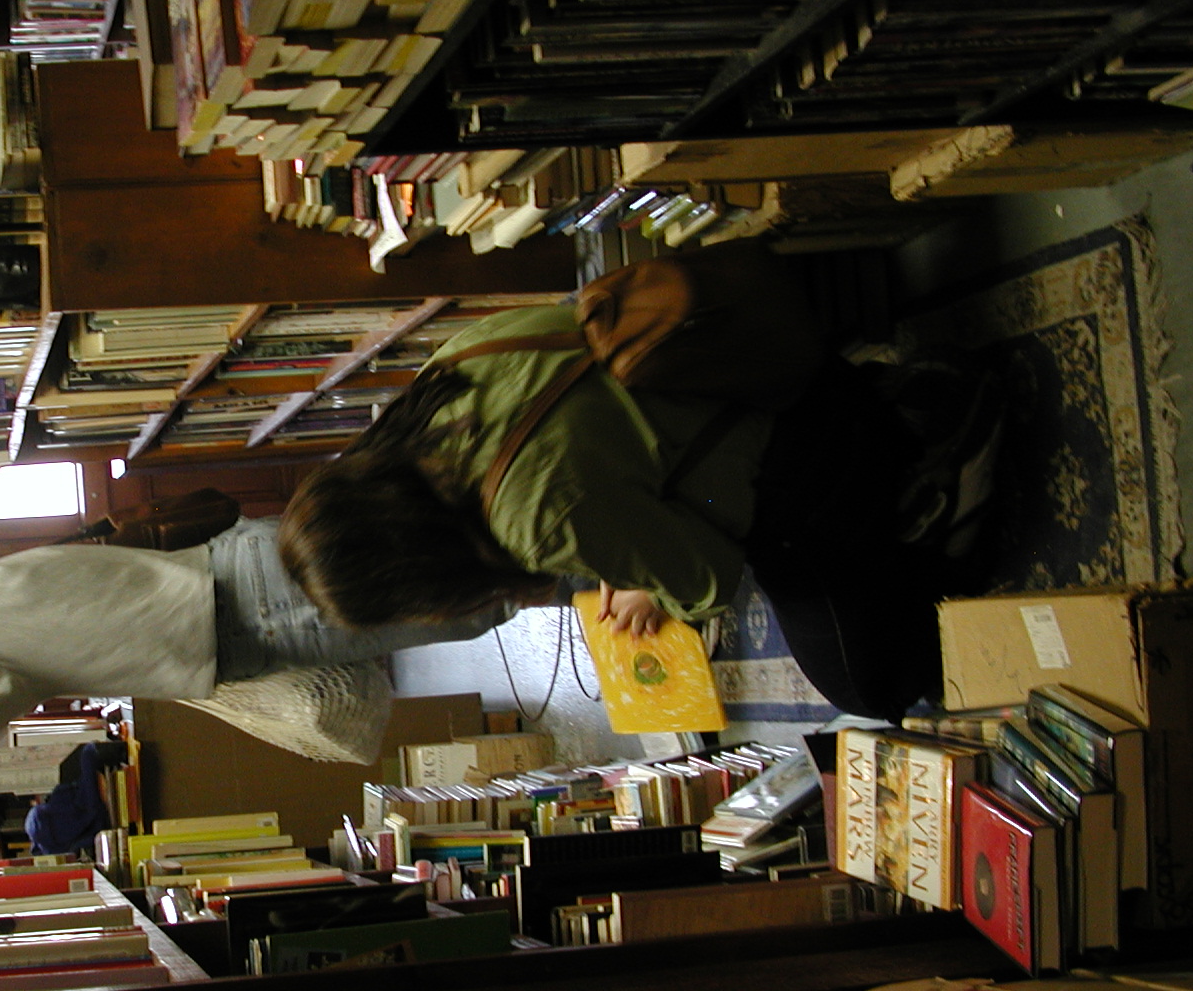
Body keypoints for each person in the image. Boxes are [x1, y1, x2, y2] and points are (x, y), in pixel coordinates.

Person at [276, 252, 992, 722]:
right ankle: (894, 399)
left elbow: (711, 576)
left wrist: (645, 583)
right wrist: (620, 547)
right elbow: (606, 442)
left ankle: (930, 491)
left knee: (868, 688)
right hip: (758, 357)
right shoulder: (446, 374)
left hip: (796, 454)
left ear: (414, 575)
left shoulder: (531, 522)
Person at [0, 515, 514, 878]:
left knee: (475, 594)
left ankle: (586, 562)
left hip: (265, 607)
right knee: (469, 566)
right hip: (252, 582)